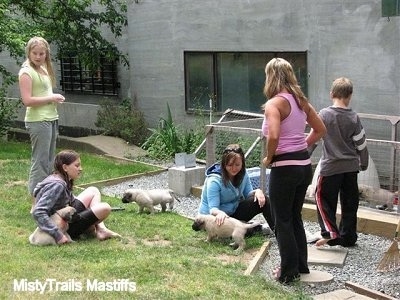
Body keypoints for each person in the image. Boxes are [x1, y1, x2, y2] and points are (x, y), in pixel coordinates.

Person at [261, 57, 326, 284]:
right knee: (294, 217)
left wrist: (269, 157)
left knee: (282, 220)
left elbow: (274, 135)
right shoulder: (301, 102)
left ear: (271, 76)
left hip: (284, 168)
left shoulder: (273, 104)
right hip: (303, 167)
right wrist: (301, 147)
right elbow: (320, 129)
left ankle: (288, 272)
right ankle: (300, 265)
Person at [314, 77, 368, 248]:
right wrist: (363, 162)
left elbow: (313, 139)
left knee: (322, 198)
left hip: (331, 167)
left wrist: (303, 157)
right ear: (350, 95)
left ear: (332, 94)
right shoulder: (354, 117)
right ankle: (348, 237)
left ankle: (330, 232)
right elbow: (361, 143)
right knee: (350, 202)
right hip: (351, 167)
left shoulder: (324, 115)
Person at [31, 150, 121, 244]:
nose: (80, 169)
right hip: (62, 225)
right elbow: (38, 211)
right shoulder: (57, 185)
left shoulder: (60, 178)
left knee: (93, 190)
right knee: (105, 208)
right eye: (77, 166)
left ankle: (101, 229)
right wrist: (58, 235)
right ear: (65, 167)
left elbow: (68, 201)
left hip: (67, 215)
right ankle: (96, 229)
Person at [18, 36, 66, 212]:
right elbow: (27, 100)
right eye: (35, 53)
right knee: (39, 162)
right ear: (29, 53)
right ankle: (35, 203)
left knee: (49, 162)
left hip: (51, 118)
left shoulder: (44, 69)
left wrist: (53, 99)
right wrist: (51, 97)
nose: (38, 56)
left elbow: (43, 93)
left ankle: (47, 199)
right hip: (38, 121)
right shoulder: (26, 72)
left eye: (42, 53)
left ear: (46, 54)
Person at [198, 144, 275, 237]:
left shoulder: (243, 173)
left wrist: (258, 191)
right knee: (239, 232)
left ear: (242, 163)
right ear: (224, 164)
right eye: (230, 165)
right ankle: (254, 228)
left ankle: (280, 232)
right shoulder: (214, 180)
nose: (234, 168)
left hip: (232, 213)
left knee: (263, 200)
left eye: (237, 164)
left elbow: (248, 195)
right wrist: (220, 213)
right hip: (215, 219)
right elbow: (213, 209)